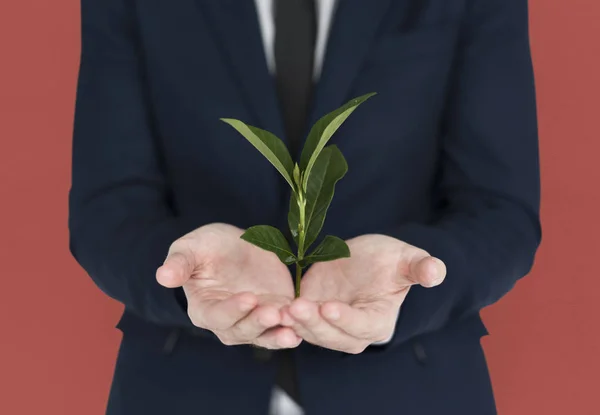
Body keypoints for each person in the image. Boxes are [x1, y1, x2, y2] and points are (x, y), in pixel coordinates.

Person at [68, 0, 540, 414]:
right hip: (183, 388)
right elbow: (108, 208)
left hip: (410, 388)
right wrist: (187, 279)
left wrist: (414, 281)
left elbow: (500, 211)